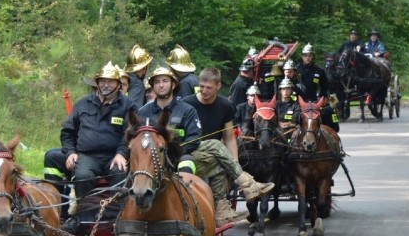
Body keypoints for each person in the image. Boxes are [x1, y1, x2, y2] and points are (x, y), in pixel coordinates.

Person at [138, 67, 244, 226]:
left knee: (199, 162)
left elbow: (195, 138)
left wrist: (173, 153)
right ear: (152, 86)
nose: (161, 85)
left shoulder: (187, 109)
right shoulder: (143, 111)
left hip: (182, 157)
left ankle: (206, 221)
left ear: (173, 84)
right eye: (157, 82)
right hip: (149, 161)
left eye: (165, 81)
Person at [181, 68, 275, 218]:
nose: (204, 91)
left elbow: (230, 138)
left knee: (219, 160)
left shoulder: (225, 105)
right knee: (215, 143)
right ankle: (248, 186)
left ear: (218, 86)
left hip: (212, 157)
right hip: (189, 155)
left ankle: (220, 210)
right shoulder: (186, 104)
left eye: (209, 88)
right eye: (202, 87)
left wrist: (234, 164)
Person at [58, 61, 138, 232]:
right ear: (97, 82)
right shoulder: (82, 104)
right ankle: (84, 221)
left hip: (115, 155)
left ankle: (116, 220)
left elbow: (131, 133)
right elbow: (67, 132)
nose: (106, 85)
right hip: (87, 156)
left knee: (120, 174)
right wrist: (70, 152)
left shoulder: (128, 106)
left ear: (118, 85)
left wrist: (122, 153)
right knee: (82, 175)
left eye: (110, 81)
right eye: (102, 81)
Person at [295, 44, 339, 132]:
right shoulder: (296, 69)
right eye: (305, 55)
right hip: (298, 102)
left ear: (313, 57)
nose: (307, 58)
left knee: (328, 112)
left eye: (309, 55)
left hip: (314, 101)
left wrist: (323, 98)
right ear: (302, 56)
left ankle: (331, 134)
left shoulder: (319, 71)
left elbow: (325, 86)